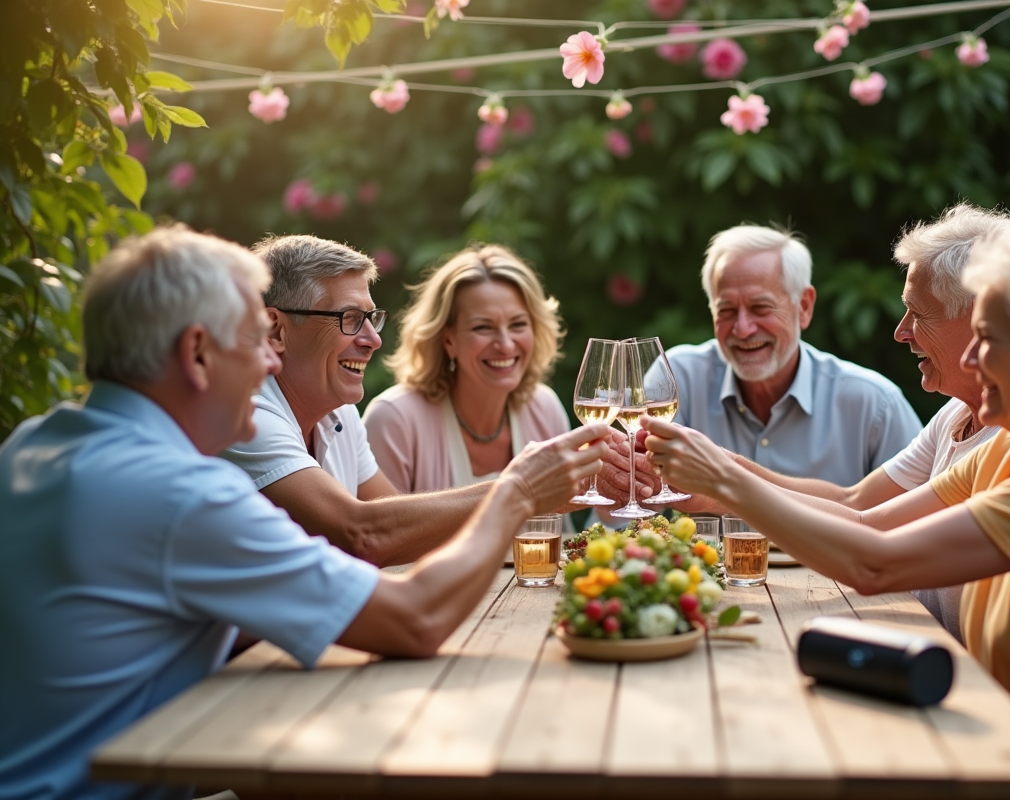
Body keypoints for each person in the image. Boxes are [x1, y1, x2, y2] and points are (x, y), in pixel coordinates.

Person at [0, 227, 609, 800]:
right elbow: (415, 618)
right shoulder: (182, 494)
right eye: (252, 340)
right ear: (196, 353)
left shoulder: (33, 444)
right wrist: (518, 491)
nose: (268, 365)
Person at [643, 216, 1010, 797]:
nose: (974, 360)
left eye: (992, 339)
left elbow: (877, 565)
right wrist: (717, 478)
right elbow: (861, 521)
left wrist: (725, 483)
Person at [648, 204, 1010, 637]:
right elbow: (856, 505)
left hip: (968, 674)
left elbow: (873, 553)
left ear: (979, 319)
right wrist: (716, 486)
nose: (901, 331)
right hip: (927, 648)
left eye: (919, 313)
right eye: (727, 310)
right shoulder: (955, 417)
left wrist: (721, 479)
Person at [222, 235, 503, 566]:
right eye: (350, 318)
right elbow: (364, 536)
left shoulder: (341, 412)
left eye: (372, 318)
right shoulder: (245, 416)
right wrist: (520, 489)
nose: (374, 340)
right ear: (275, 331)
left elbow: (404, 529)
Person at [662, 224, 922, 487]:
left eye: (760, 308)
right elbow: (634, 499)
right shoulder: (678, 379)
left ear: (805, 307)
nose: (742, 329)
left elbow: (919, 520)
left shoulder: (873, 405)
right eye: (726, 310)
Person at [362, 243, 570, 492]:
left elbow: (568, 526)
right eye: (483, 327)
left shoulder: (544, 408)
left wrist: (611, 503)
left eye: (518, 324)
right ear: (448, 340)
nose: (505, 345)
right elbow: (380, 529)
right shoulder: (394, 420)